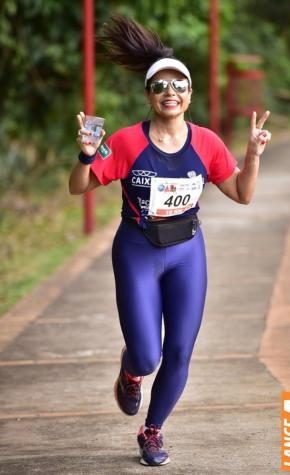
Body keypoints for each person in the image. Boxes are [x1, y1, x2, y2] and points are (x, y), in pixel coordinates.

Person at [69, 14, 271, 467]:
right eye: (159, 86)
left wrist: (252, 157)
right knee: (146, 354)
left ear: (189, 95)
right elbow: (78, 187)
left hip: (186, 254)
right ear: (149, 95)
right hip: (138, 250)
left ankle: (152, 430)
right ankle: (130, 371)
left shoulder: (206, 142)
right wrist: (85, 154)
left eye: (178, 86)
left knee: (180, 351)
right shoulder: (124, 142)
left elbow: (241, 194)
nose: (169, 93)